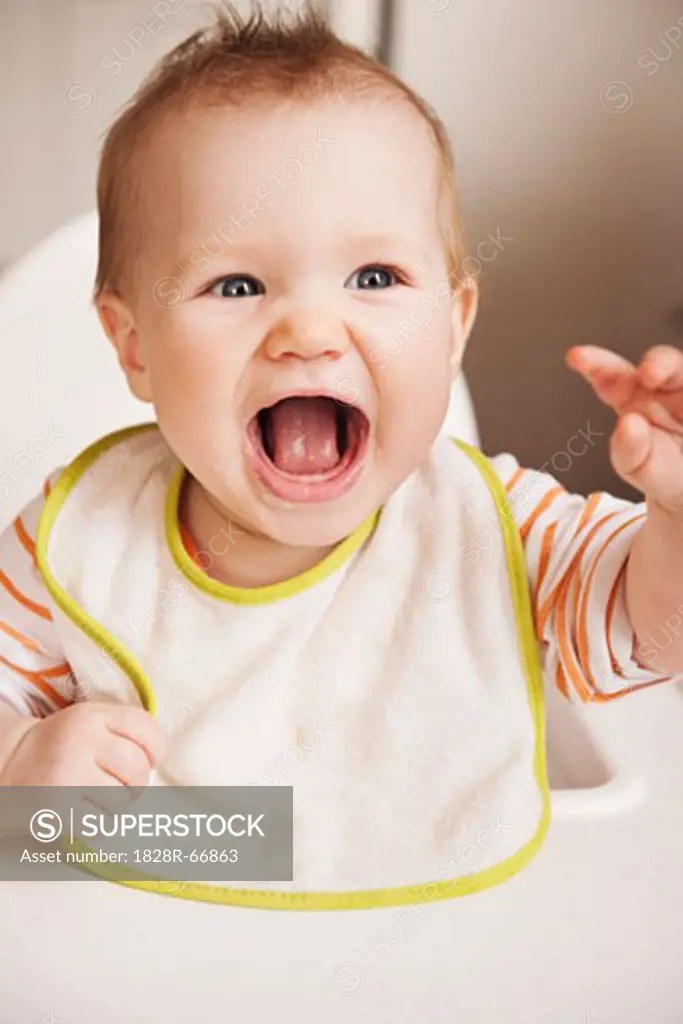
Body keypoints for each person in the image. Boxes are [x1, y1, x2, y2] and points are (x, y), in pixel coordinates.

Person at [0, 3, 681, 909]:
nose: (311, 331)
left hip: (446, 962)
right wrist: (20, 772)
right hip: (167, 949)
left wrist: (672, 516)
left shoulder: (493, 530)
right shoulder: (76, 543)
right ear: (133, 347)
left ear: (451, 327)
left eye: (374, 278)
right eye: (236, 283)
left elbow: (645, 632)